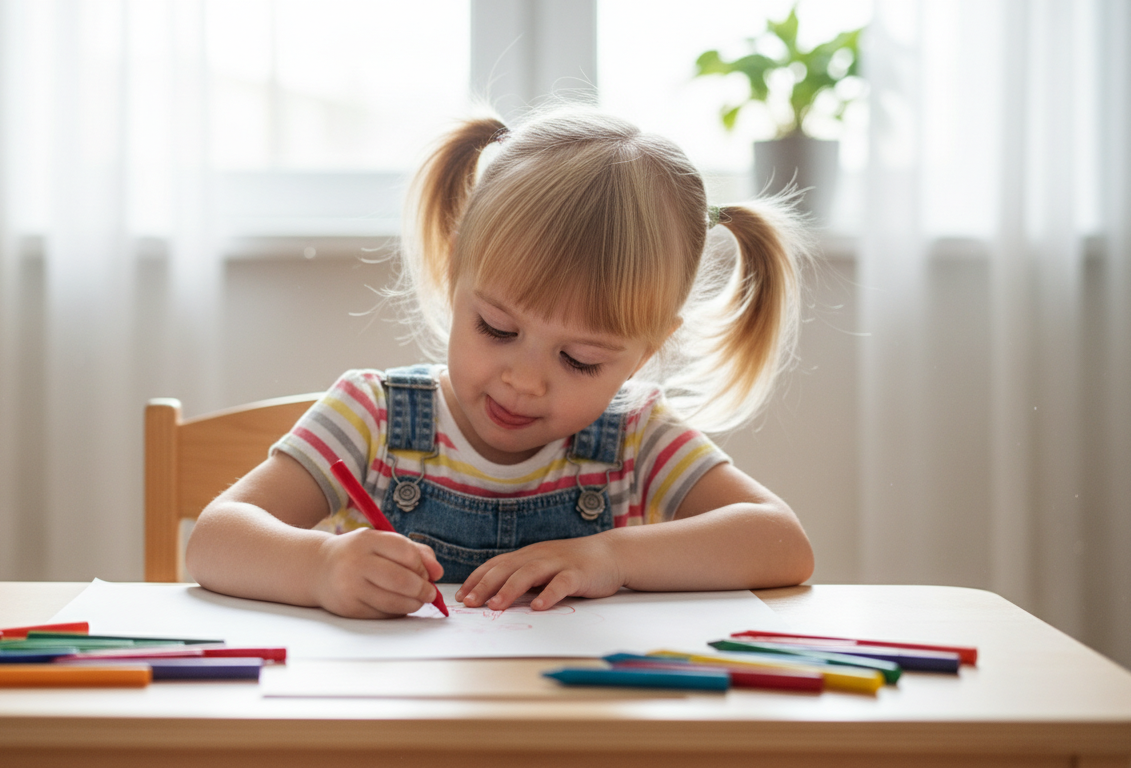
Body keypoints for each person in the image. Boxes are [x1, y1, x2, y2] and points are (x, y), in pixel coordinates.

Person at [186, 107, 815, 619]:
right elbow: (214, 541)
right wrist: (319, 568)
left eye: (580, 359)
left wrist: (612, 557)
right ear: (455, 268)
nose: (524, 380)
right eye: (496, 328)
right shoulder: (372, 418)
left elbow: (782, 544)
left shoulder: (635, 439)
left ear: (644, 354)